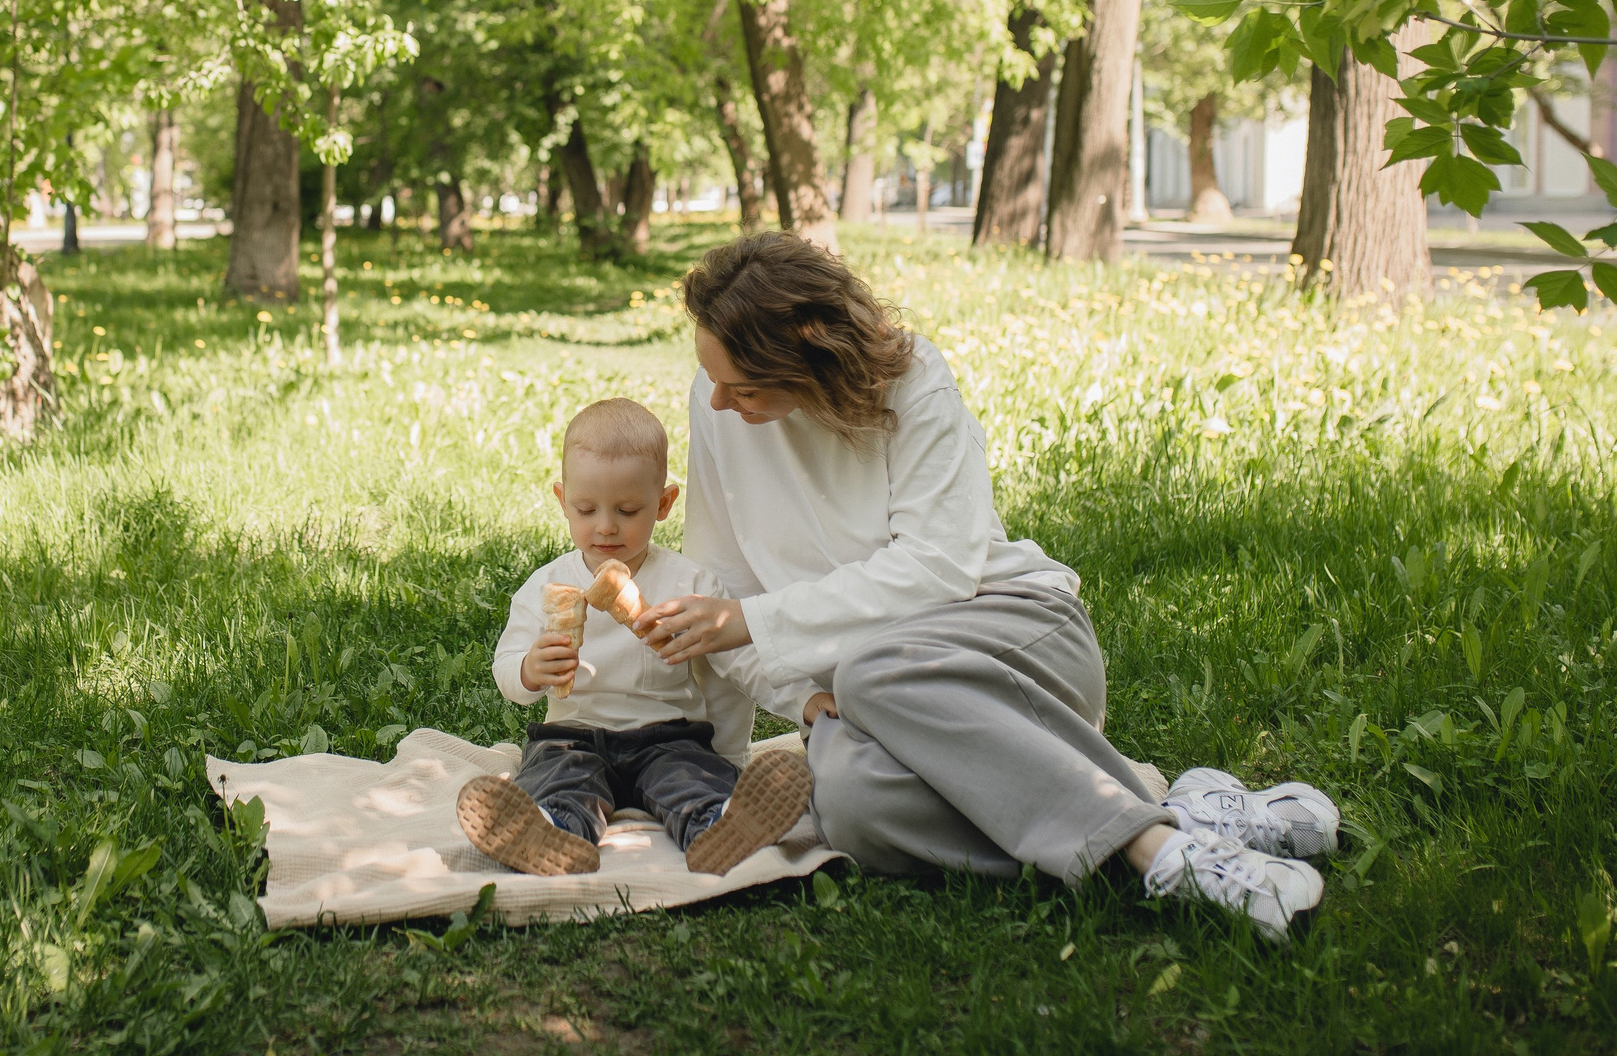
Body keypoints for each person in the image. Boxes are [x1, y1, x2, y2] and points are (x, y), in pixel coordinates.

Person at [633, 234, 1339, 937]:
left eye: (744, 386)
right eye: (712, 378)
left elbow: (935, 569)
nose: (718, 401)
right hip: (878, 703)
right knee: (849, 804)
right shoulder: (716, 400)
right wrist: (798, 697)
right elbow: (723, 582)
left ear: (810, 358)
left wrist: (754, 622)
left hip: (1015, 641)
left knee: (871, 671)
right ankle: (1175, 825)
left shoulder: (913, 382)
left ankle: (1155, 850)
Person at [457, 397, 814, 877]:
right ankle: (550, 830)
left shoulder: (690, 583)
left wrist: (802, 701)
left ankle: (719, 825)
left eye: (628, 510)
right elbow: (506, 669)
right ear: (562, 501)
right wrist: (529, 669)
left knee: (692, 778)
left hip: (668, 736)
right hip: (574, 736)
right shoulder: (547, 587)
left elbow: (739, 662)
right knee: (559, 777)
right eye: (586, 509)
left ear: (663, 504)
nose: (606, 527)